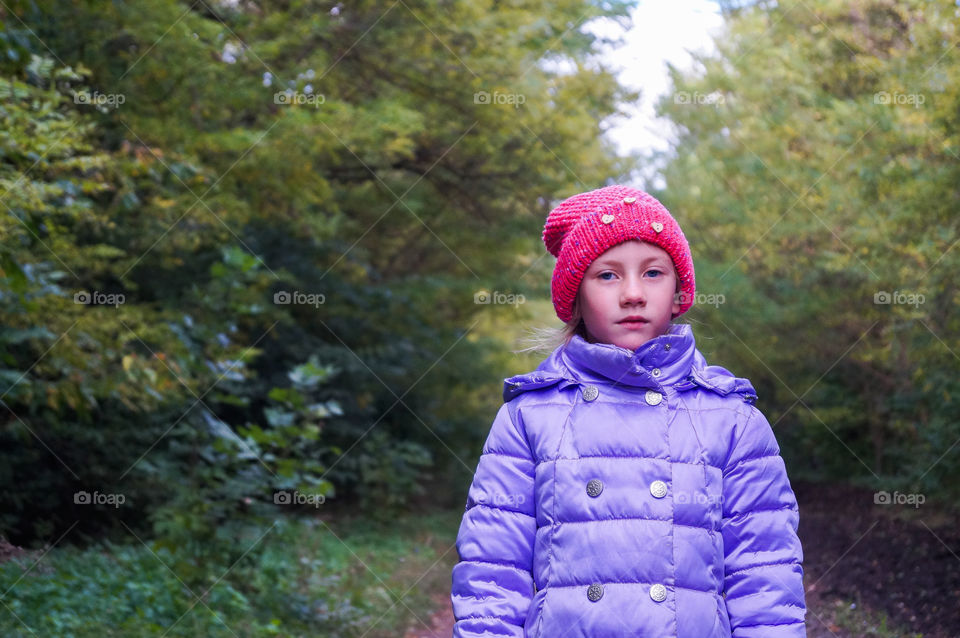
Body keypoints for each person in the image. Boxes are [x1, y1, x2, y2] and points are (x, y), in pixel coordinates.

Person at [450, 185, 807, 637]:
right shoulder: (530, 417)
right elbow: (493, 570)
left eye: (653, 273)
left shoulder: (732, 420)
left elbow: (765, 576)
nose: (633, 293)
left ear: (679, 293)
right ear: (575, 299)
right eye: (608, 276)